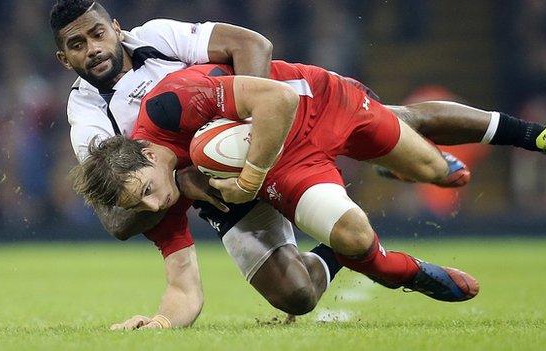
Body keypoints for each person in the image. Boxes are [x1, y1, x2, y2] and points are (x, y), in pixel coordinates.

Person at [72, 59, 546, 328]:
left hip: (310, 103)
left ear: (143, 156)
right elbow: (185, 288)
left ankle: (539, 136)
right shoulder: (152, 193)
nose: (153, 206)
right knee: (300, 294)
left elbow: (272, 92)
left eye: (145, 193)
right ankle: (391, 267)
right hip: (280, 167)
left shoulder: (167, 103)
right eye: (138, 205)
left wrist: (250, 176)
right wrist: (160, 321)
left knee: (441, 170)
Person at [51, 0, 340, 330]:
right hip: (213, 189)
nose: (92, 49)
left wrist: (244, 139)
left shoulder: (157, 37)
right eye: (77, 45)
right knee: (297, 295)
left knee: (384, 125)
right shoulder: (87, 116)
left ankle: (352, 230)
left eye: (97, 34)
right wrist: (177, 181)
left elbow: (251, 45)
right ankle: (341, 250)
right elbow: (115, 219)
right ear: (64, 59)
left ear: (116, 28)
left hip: (257, 143)